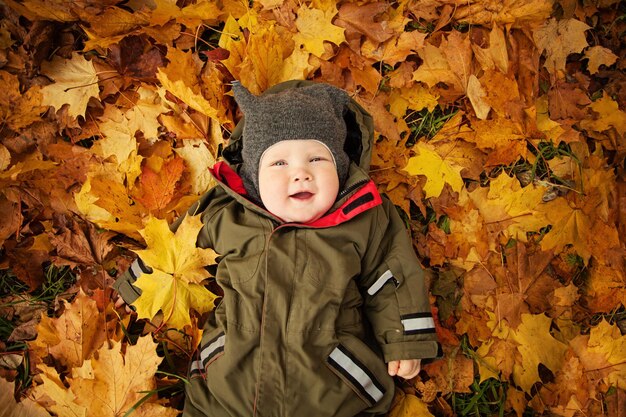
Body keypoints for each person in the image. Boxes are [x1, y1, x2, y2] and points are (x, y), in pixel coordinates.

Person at [113, 80, 440, 417]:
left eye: (317, 159)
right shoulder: (227, 214)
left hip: (334, 383)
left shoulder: (363, 217)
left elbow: (392, 277)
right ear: (254, 176)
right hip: (229, 381)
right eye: (279, 164)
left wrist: (405, 339)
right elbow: (176, 249)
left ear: (341, 169)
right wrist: (138, 285)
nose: (300, 174)